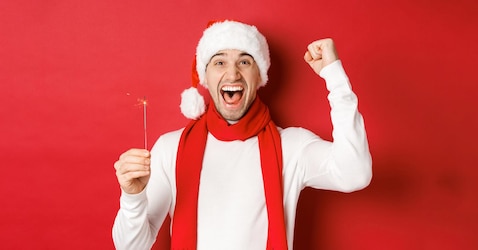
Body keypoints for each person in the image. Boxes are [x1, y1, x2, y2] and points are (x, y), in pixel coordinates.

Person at [112, 20, 372, 250]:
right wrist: (132, 197)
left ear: (259, 75)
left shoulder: (292, 146)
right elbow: (130, 247)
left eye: (245, 61)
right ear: (205, 75)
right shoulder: (171, 148)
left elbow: (355, 174)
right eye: (220, 62)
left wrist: (334, 77)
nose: (233, 73)